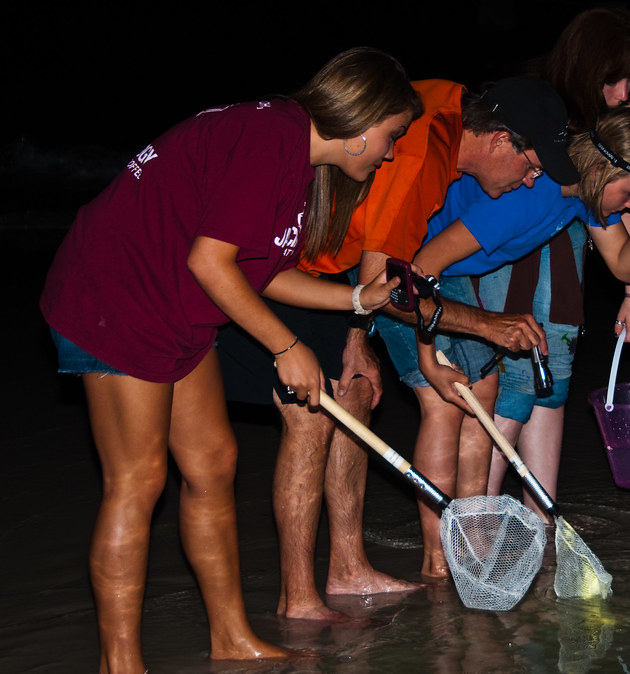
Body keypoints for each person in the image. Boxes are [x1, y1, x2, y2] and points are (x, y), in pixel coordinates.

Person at [38, 47, 418, 673]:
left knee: (214, 462)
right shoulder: (271, 137)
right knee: (138, 480)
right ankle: (120, 663)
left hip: (172, 299)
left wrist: (356, 297)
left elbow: (258, 272)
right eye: (391, 135)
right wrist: (288, 347)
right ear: (360, 123)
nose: (392, 150)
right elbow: (209, 262)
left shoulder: (293, 153)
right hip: (115, 293)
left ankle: (232, 637)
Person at [216, 75, 577, 614]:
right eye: (531, 166)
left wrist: (360, 340)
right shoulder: (422, 154)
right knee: (310, 417)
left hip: (340, 273)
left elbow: (375, 275)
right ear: (501, 139)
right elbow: (388, 291)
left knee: (356, 392)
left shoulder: (451, 100)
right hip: (285, 265)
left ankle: (347, 568)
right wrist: (485, 325)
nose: (530, 182)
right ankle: (298, 597)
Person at [376, 104, 630, 577]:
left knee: (483, 391)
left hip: (449, 279)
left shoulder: (580, 195)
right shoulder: (527, 199)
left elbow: (625, 265)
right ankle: (439, 561)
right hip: (407, 275)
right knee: (448, 399)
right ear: (602, 172)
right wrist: (429, 355)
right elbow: (416, 271)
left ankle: (472, 540)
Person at [485, 6, 630, 520]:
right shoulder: (535, 101)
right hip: (512, 251)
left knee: (553, 380)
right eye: (616, 78)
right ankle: (479, 516)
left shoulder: (616, 106)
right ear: (587, 68)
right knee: (514, 381)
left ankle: (540, 520)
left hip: (570, 249)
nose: (625, 91)